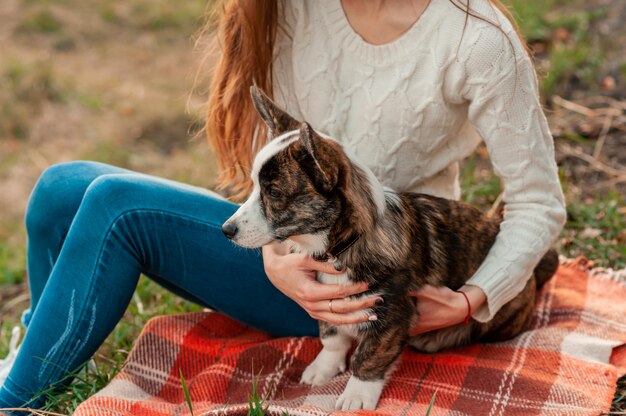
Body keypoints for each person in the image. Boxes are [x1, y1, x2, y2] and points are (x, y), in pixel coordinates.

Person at [0, 0, 566, 412]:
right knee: (59, 186)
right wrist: (274, 256)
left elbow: (539, 203)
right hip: (288, 249)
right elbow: (275, 154)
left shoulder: (477, 38)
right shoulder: (294, 7)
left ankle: (14, 401)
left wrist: (472, 301)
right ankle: (32, 355)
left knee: (116, 207)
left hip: (367, 276)